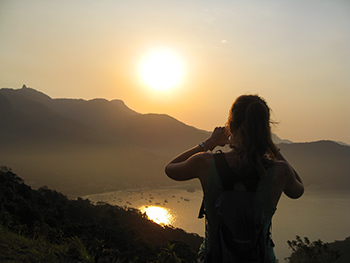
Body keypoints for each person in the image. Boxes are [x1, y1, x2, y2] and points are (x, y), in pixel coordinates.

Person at [165, 95, 304, 263]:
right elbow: (298, 190)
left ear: (230, 126)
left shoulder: (205, 162)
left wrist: (209, 143)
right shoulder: (281, 170)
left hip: (214, 257)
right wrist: (272, 147)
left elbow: (171, 168)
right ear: (265, 129)